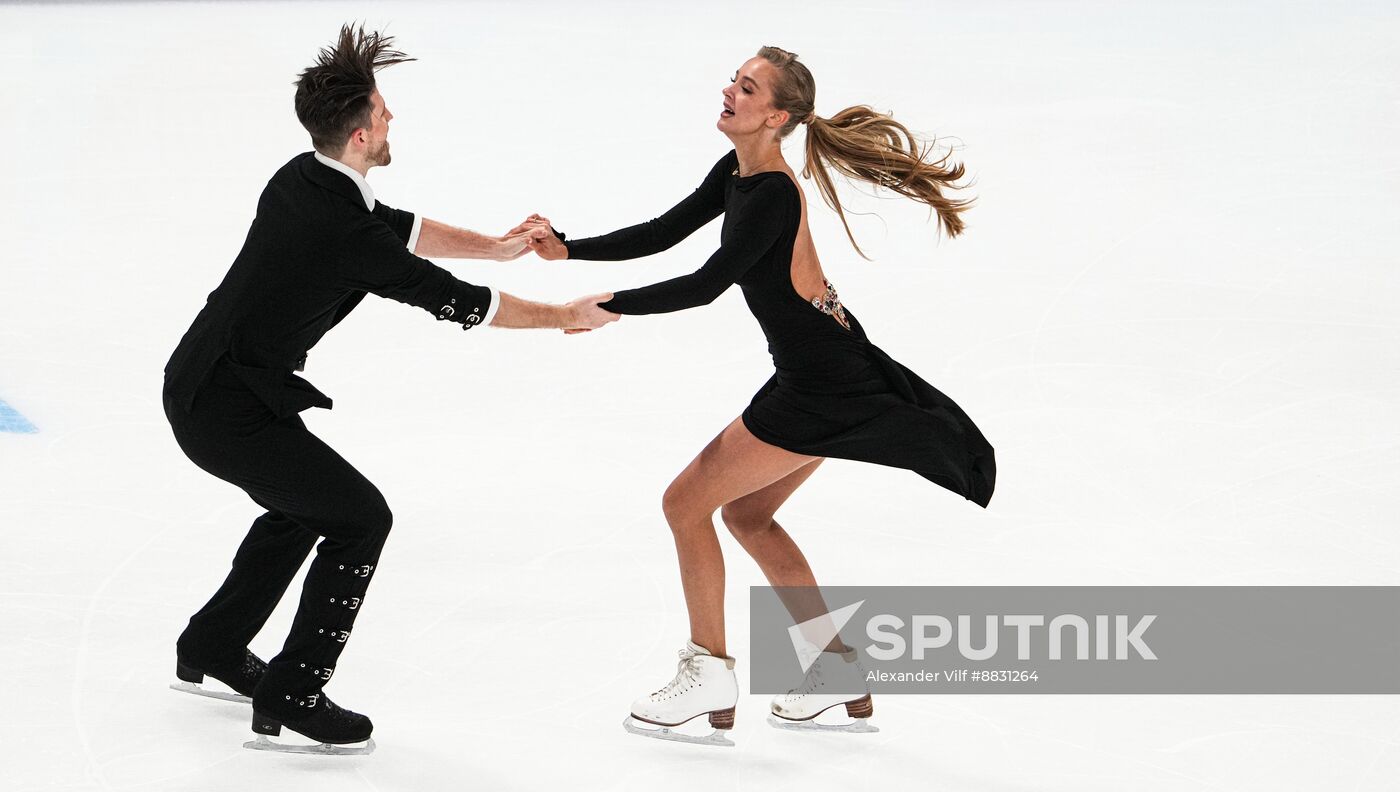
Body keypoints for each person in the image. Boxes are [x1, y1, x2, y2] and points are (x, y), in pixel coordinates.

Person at [162, 25, 617, 754]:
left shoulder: (303, 180)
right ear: (362, 130)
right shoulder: (345, 231)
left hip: (208, 383)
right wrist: (562, 316)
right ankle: (295, 689)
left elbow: (402, 229)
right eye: (385, 110)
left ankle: (213, 644)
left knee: (301, 507)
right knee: (359, 517)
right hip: (226, 408)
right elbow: (461, 301)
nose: (393, 119)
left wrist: (500, 246)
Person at [522, 46, 995, 745]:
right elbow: (663, 231)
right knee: (747, 516)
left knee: (685, 504)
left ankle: (708, 672)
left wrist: (611, 304)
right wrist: (570, 248)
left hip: (820, 385)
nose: (728, 91)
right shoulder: (738, 173)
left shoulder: (772, 191)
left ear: (775, 116)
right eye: (733, 81)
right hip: (827, 370)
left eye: (746, 88)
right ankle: (834, 667)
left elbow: (708, 282)